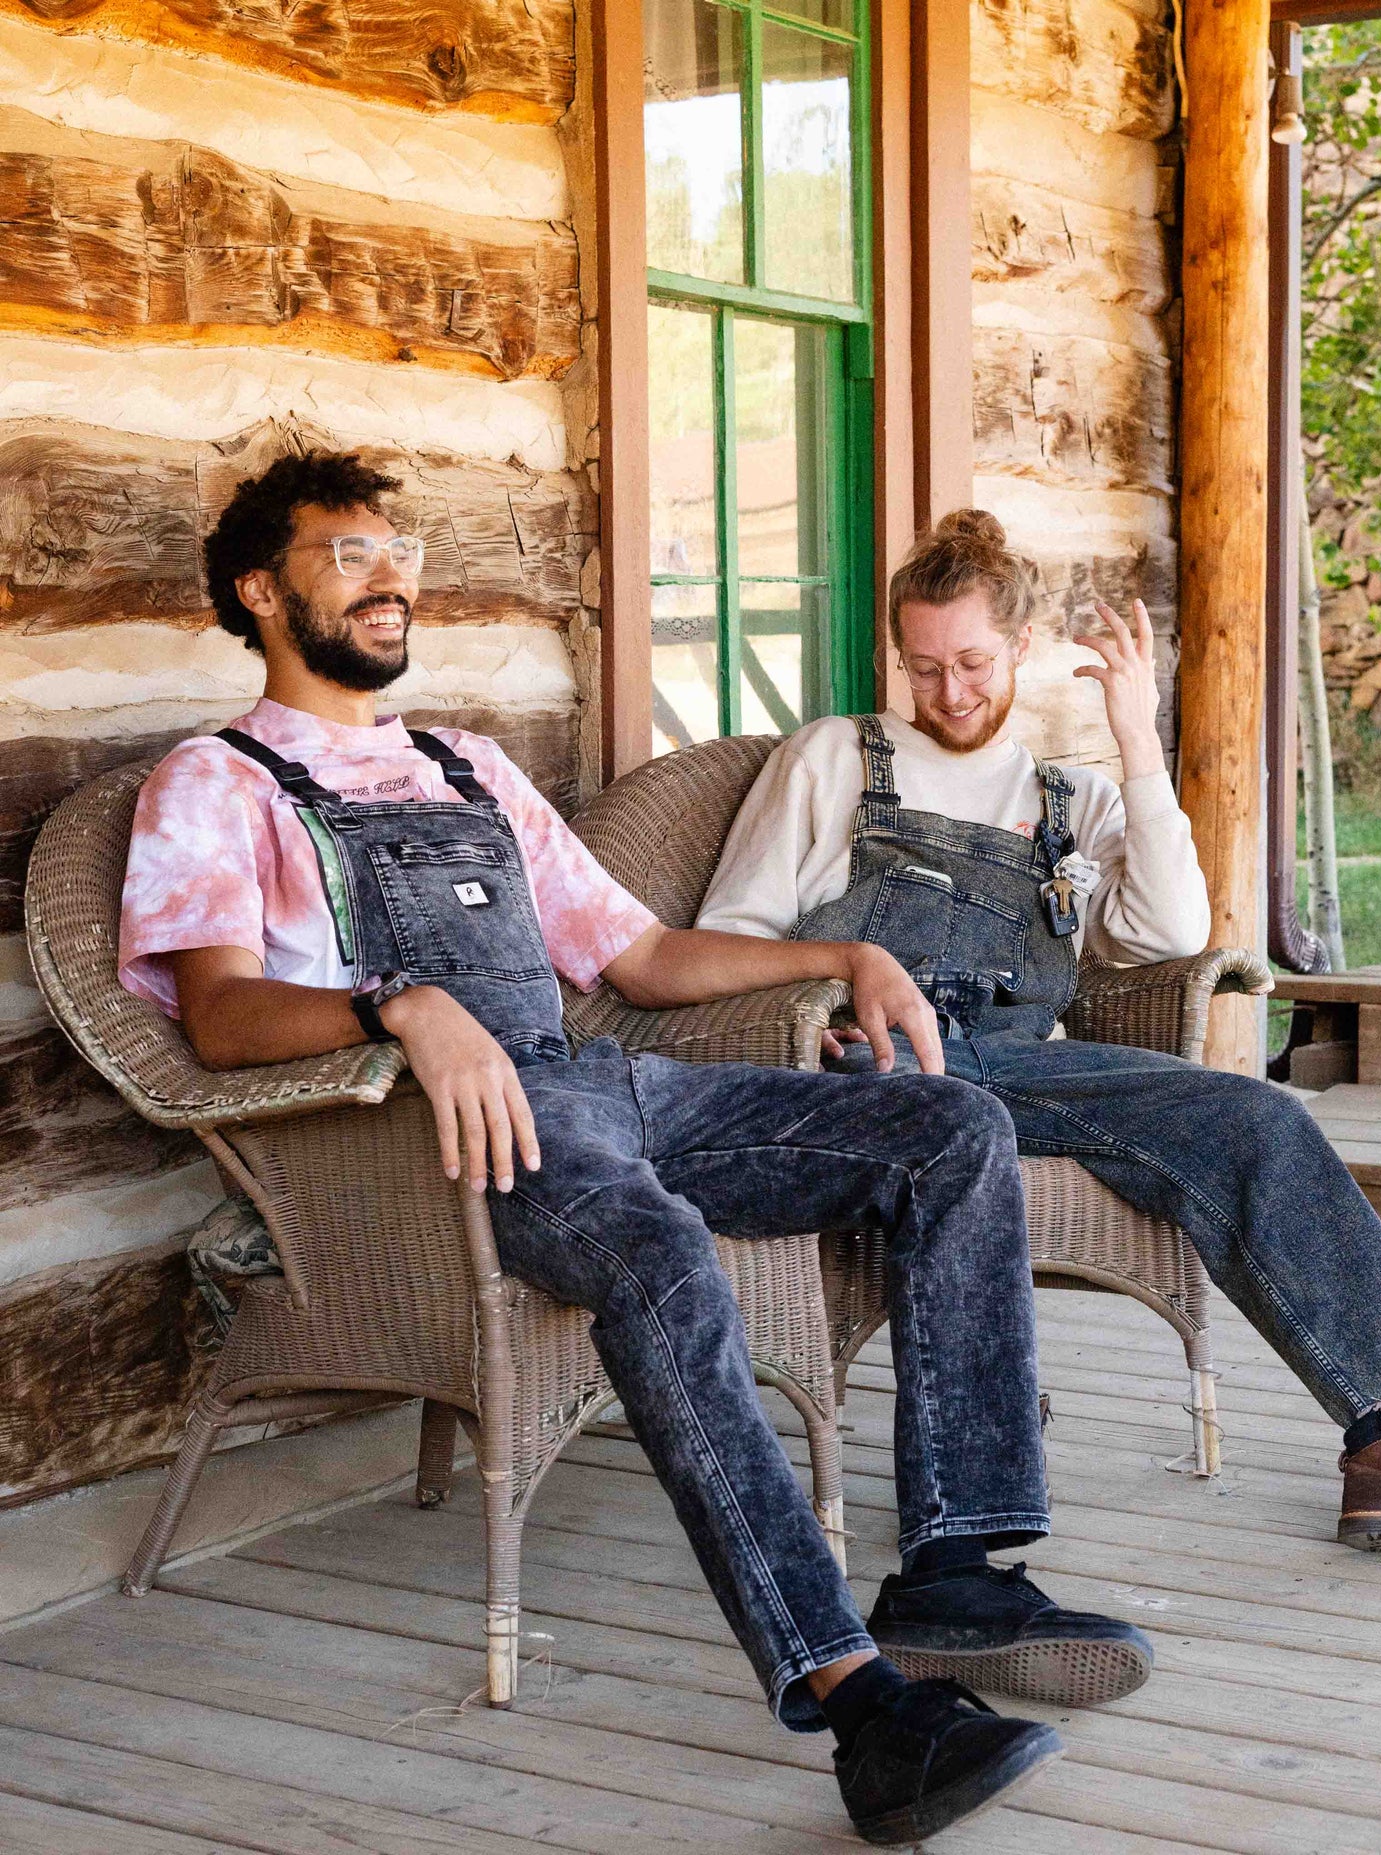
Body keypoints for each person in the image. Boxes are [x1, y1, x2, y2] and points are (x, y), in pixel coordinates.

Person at [118, 454, 1157, 1848]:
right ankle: (858, 1703)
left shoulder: (461, 762)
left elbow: (643, 952)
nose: (391, 574)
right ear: (260, 589)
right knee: (658, 1246)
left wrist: (846, 950)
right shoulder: (215, 779)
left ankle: (959, 1561)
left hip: (604, 1086)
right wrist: (401, 1002)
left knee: (951, 1127)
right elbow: (223, 1012)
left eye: (400, 547)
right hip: (450, 1143)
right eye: (348, 551)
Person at [699, 508, 1381, 1558]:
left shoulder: (1068, 798)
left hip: (1020, 1061)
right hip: (868, 1058)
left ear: (1020, 648)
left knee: (1252, 1116)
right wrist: (845, 974)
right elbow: (720, 945)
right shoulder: (833, 760)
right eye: (923, 667)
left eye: (972, 663)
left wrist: (1137, 741)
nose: (948, 692)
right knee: (1081, 1120)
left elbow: (1166, 932)